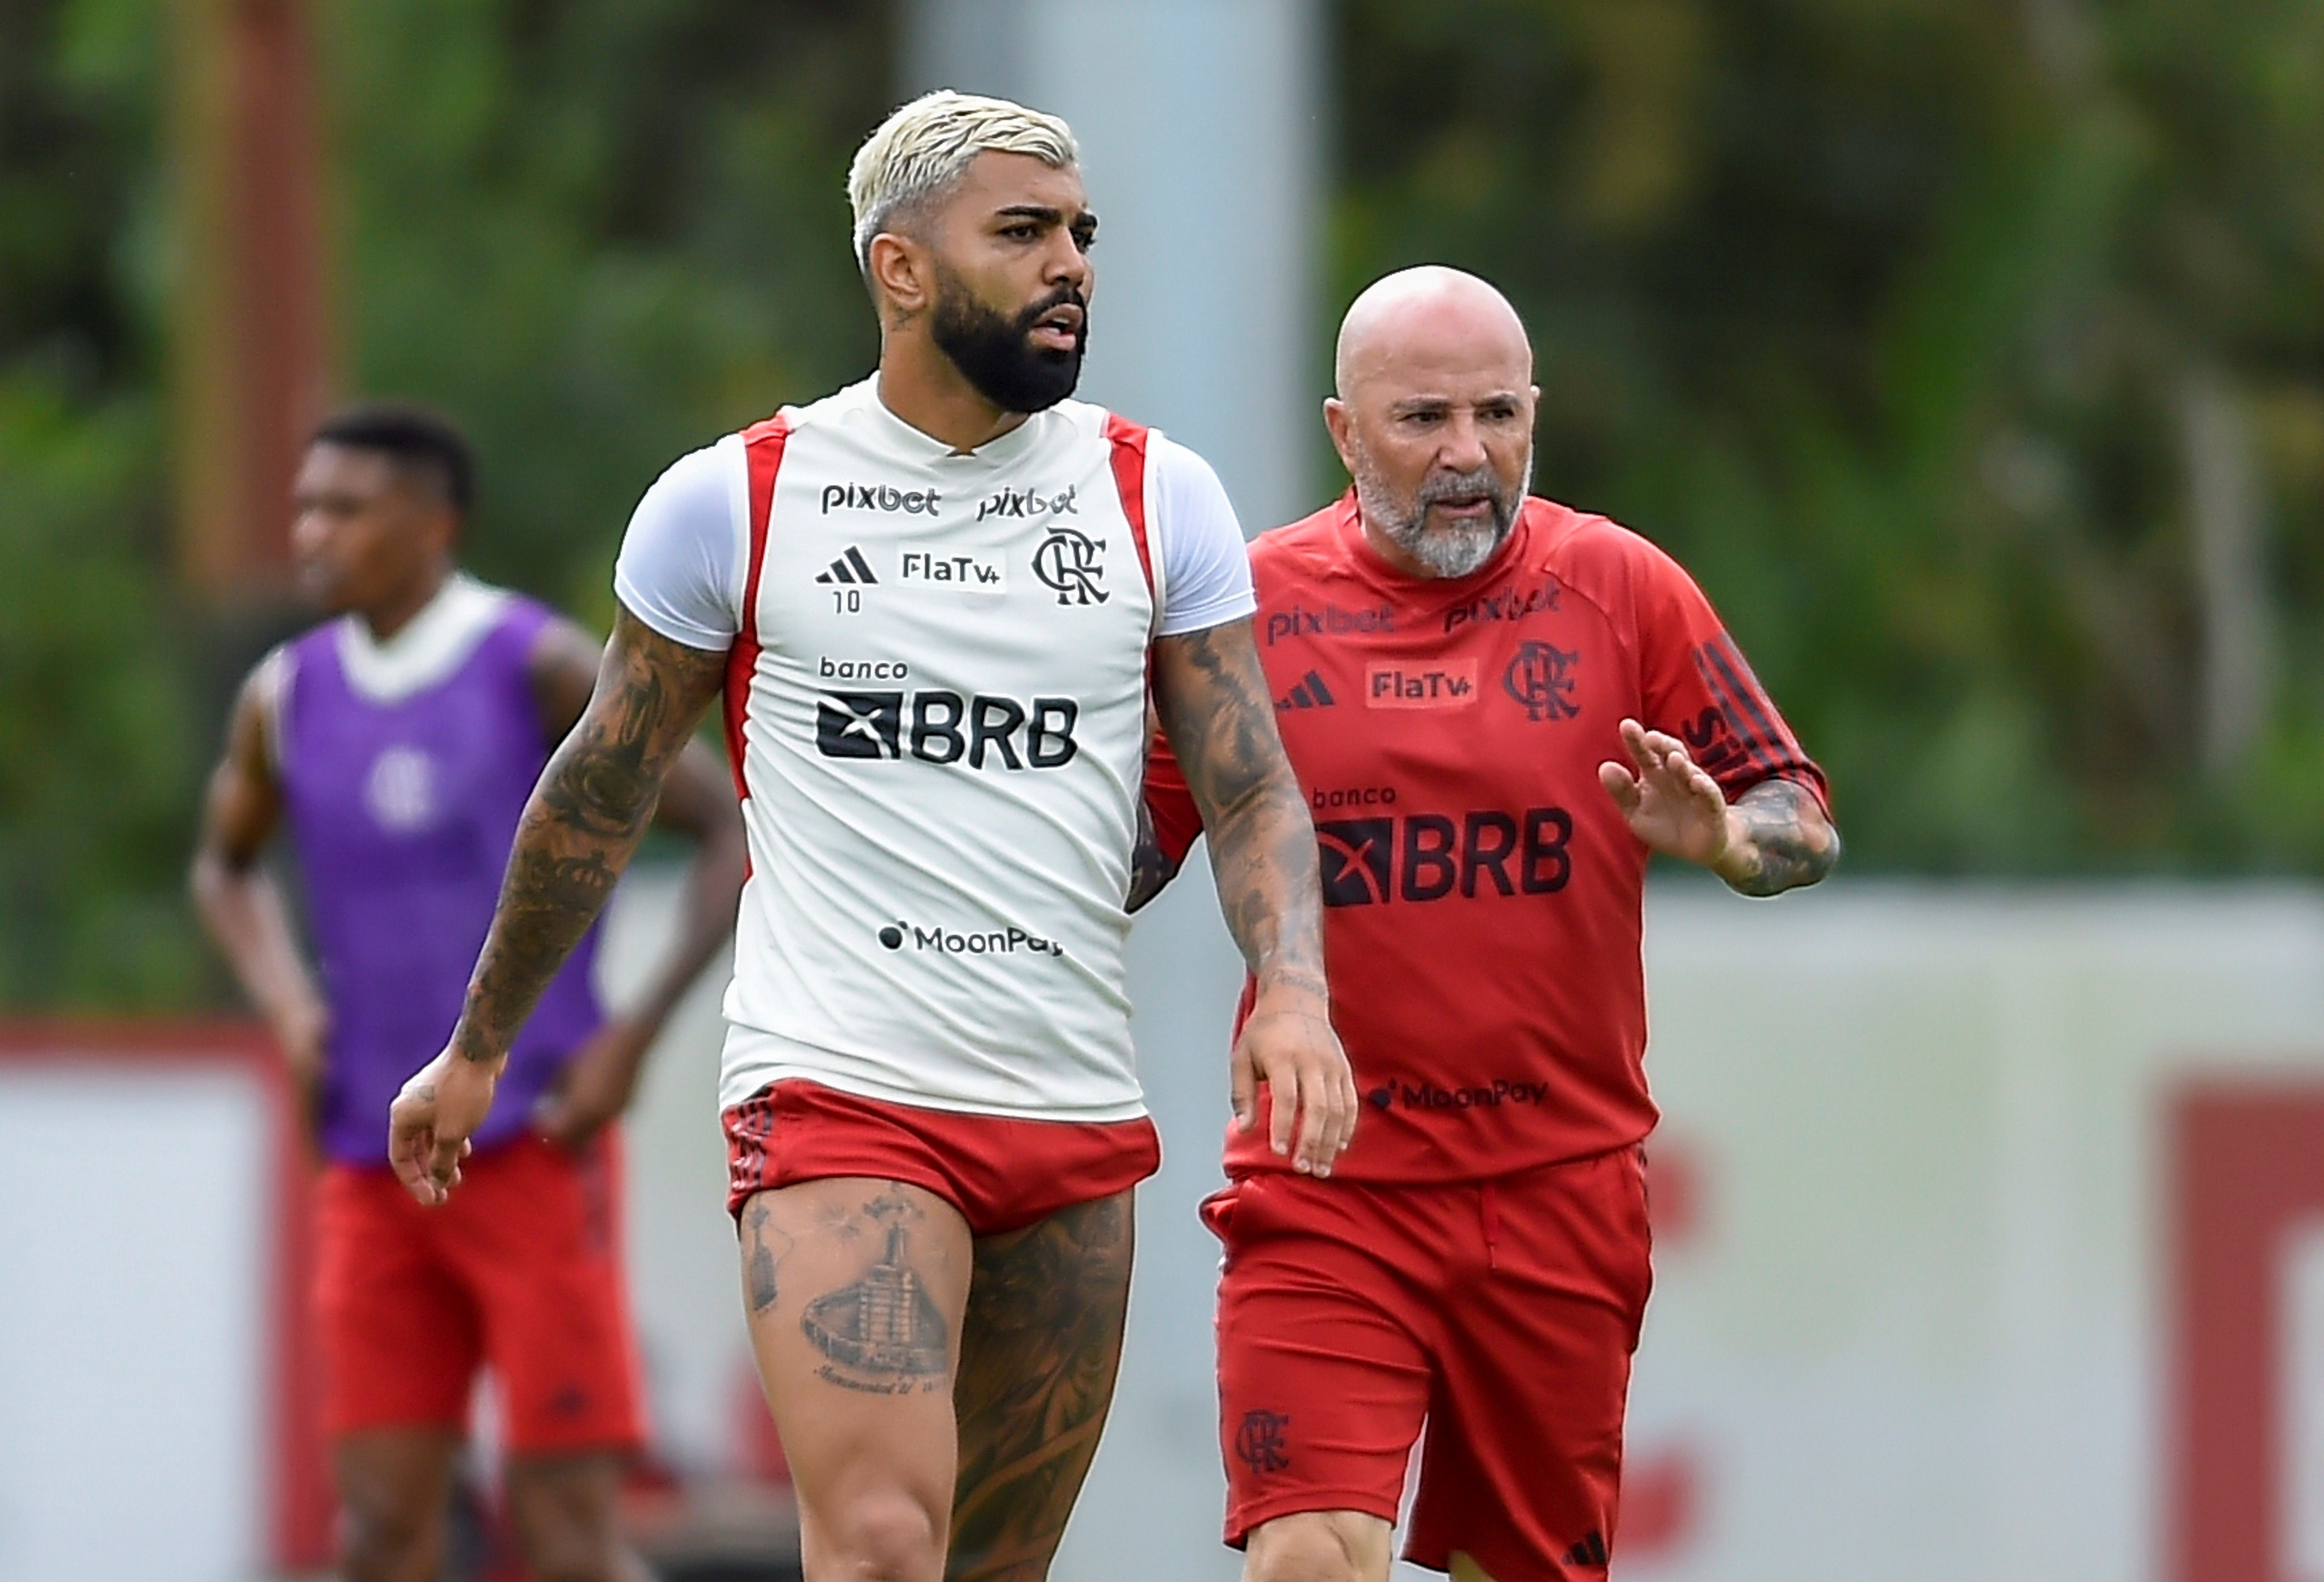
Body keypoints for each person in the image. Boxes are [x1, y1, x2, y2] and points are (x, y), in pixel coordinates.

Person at [385, 91, 1358, 1582]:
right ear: (900, 268)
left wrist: (1291, 986)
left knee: (986, 1569)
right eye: (1023, 231)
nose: (1072, 265)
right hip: (842, 1096)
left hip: (1070, 1109)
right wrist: (481, 1044)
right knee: (886, 1546)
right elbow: (599, 785)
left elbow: (1251, 785)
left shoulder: (1163, 497)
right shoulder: (737, 501)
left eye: (1083, 235)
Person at [1138, 267, 1841, 1582]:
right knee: (1308, 1556)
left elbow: (1794, 805)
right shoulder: (1244, 609)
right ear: (1343, 431)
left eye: (1497, 415)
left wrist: (1731, 840)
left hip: (1558, 1190)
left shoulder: (1620, 587)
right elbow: (1132, 846)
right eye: (1422, 421)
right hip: (1327, 1183)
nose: (1467, 455)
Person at [191, 404, 746, 1582]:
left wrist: (634, 1037)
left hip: (533, 1146)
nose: (310, 533)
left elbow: (723, 837)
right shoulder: (285, 696)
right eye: (303, 506)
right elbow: (223, 869)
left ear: (434, 523)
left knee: (564, 1538)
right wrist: (291, 1005)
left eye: (343, 508)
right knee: (383, 1532)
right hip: (366, 1155)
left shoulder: (530, 662)